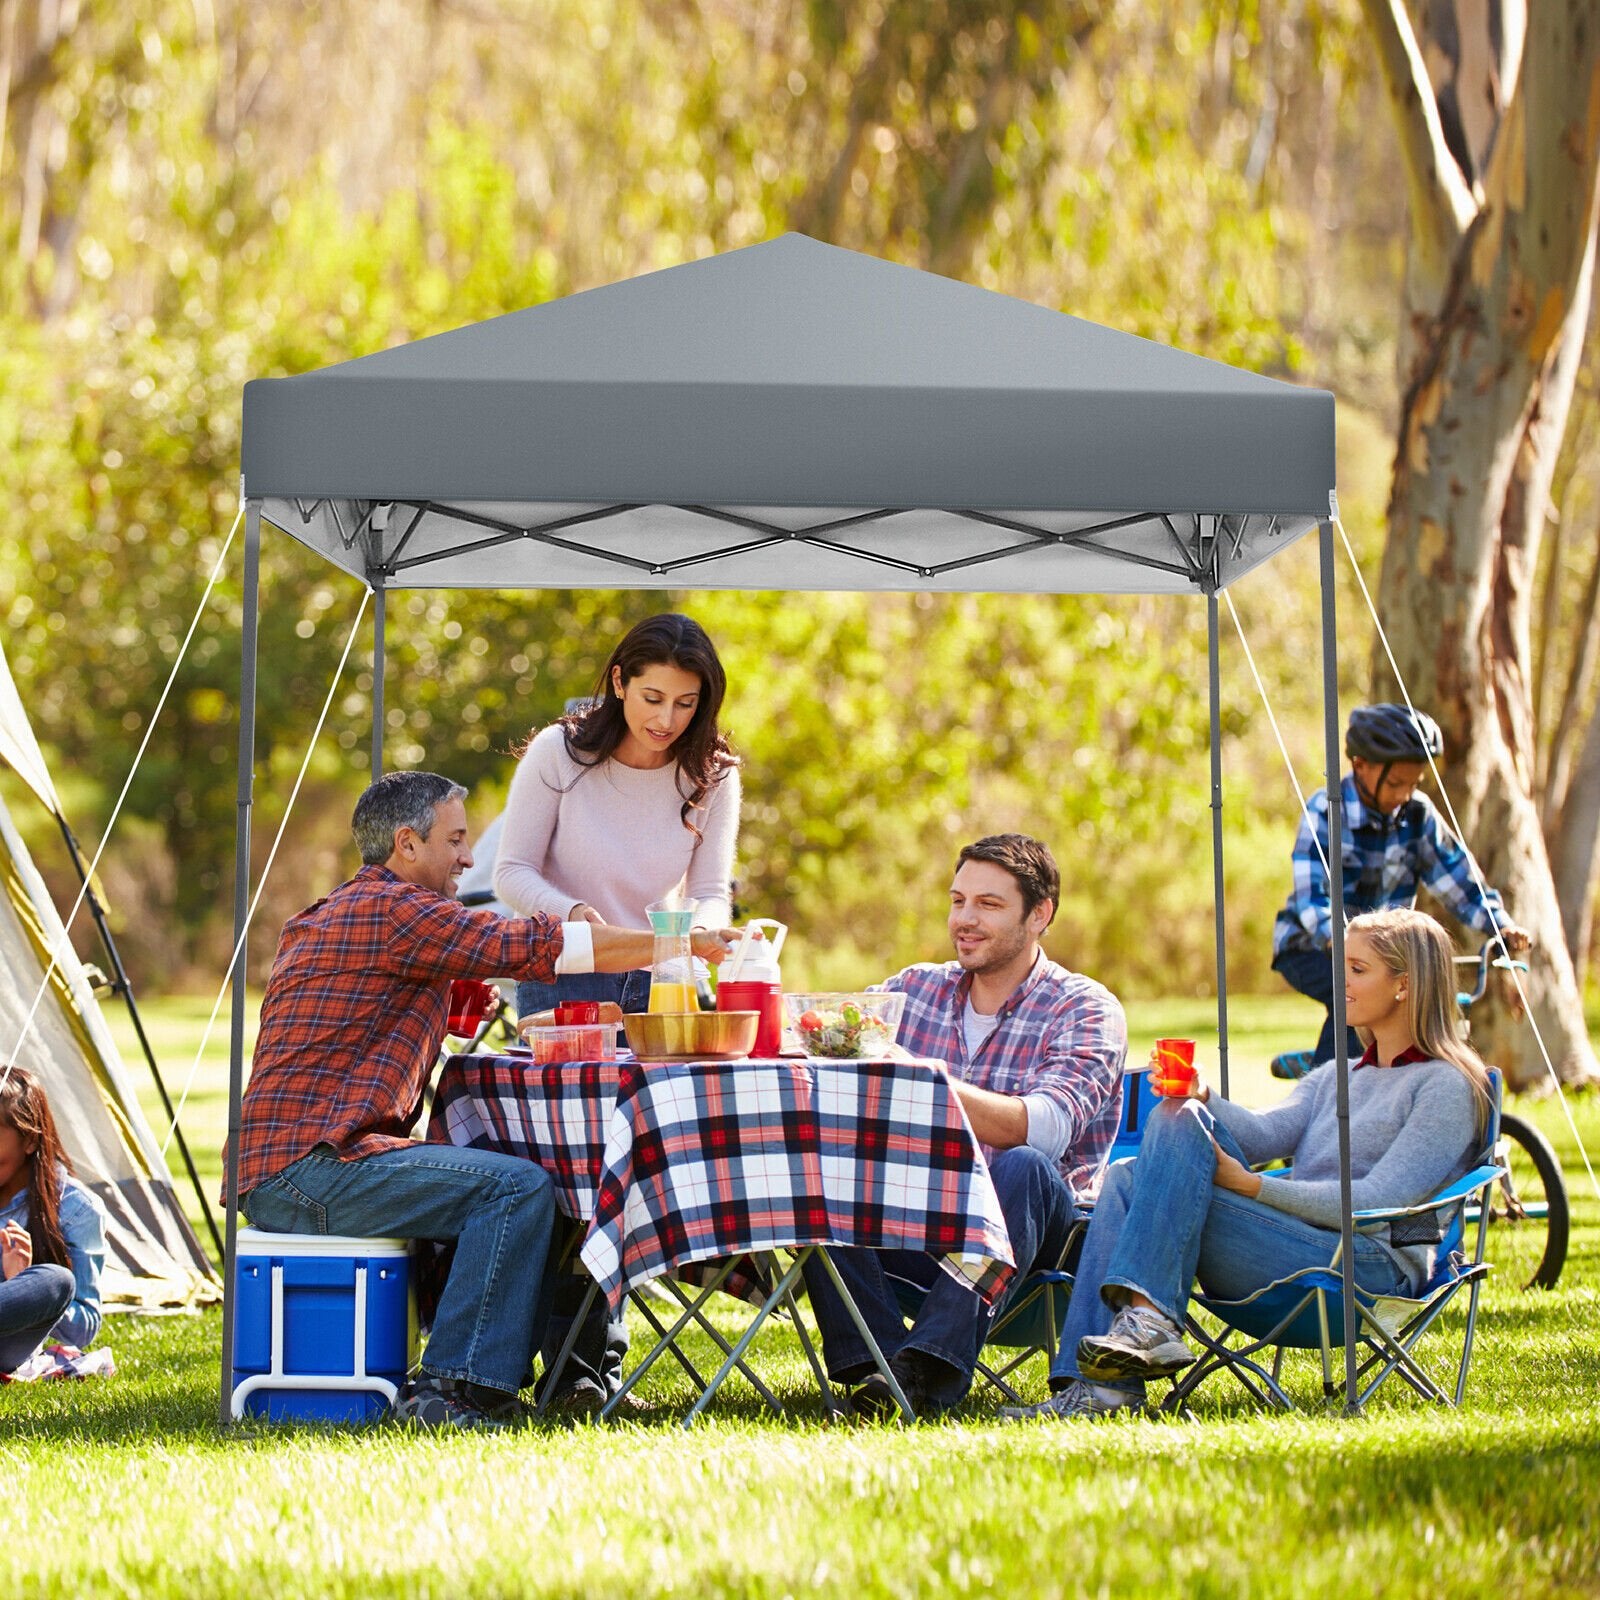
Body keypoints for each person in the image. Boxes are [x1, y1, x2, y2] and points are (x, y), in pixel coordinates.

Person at [232, 770, 734, 1430]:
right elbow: (541, 946)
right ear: (406, 845)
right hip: (313, 1172)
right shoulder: (399, 910)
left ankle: (531, 1372)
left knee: (515, 1175)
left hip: (292, 1164)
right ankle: (453, 1390)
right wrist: (679, 941)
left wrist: (458, 1002)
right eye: (458, 839)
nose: (470, 858)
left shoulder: (345, 909)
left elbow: (383, 1005)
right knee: (516, 1188)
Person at [1006, 907, 1490, 1422]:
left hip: (1365, 1267)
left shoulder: (1447, 1087)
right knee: (1154, 1142)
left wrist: (1254, 1188)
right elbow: (1262, 1135)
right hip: (1291, 1246)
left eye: (1357, 969)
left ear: (1404, 985)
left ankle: (1124, 1358)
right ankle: (1128, 1350)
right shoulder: (1336, 1076)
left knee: (1134, 1176)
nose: (1337, 980)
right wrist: (1202, 1095)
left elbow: (1379, 1199)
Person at [801, 834, 1126, 1419]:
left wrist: (921, 1080)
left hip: (1031, 1230)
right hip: (912, 1217)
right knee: (820, 1165)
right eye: (958, 901)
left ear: (1040, 914)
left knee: (1023, 1163)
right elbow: (826, 1047)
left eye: (989, 905)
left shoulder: (1084, 1006)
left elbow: (1043, 1131)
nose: (965, 920)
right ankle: (877, 1367)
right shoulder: (910, 990)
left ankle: (923, 1371)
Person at [494, 612, 741, 1022]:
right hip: (566, 974)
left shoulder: (714, 775)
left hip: (664, 980)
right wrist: (571, 913)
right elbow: (512, 871)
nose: (666, 720)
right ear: (619, 682)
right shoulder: (559, 752)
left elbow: (711, 891)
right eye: (653, 698)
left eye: (685, 704)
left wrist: (700, 934)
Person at [1271, 702, 1530, 1079]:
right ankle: (1326, 1079)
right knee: (1357, 991)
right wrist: (1347, 944)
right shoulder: (1326, 811)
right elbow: (1313, 900)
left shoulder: (1418, 816)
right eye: (1395, 784)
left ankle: (1342, 1069)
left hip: (1387, 954)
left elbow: (1457, 877)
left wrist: (1499, 925)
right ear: (1360, 766)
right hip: (1311, 946)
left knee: (1405, 1004)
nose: (1404, 794)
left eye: (1413, 784)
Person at [0, 1064, 108, 1376]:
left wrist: (21, 1278)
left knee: (55, 1281)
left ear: (30, 1140)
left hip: (8, 1344)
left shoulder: (77, 1208)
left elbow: (83, 1331)